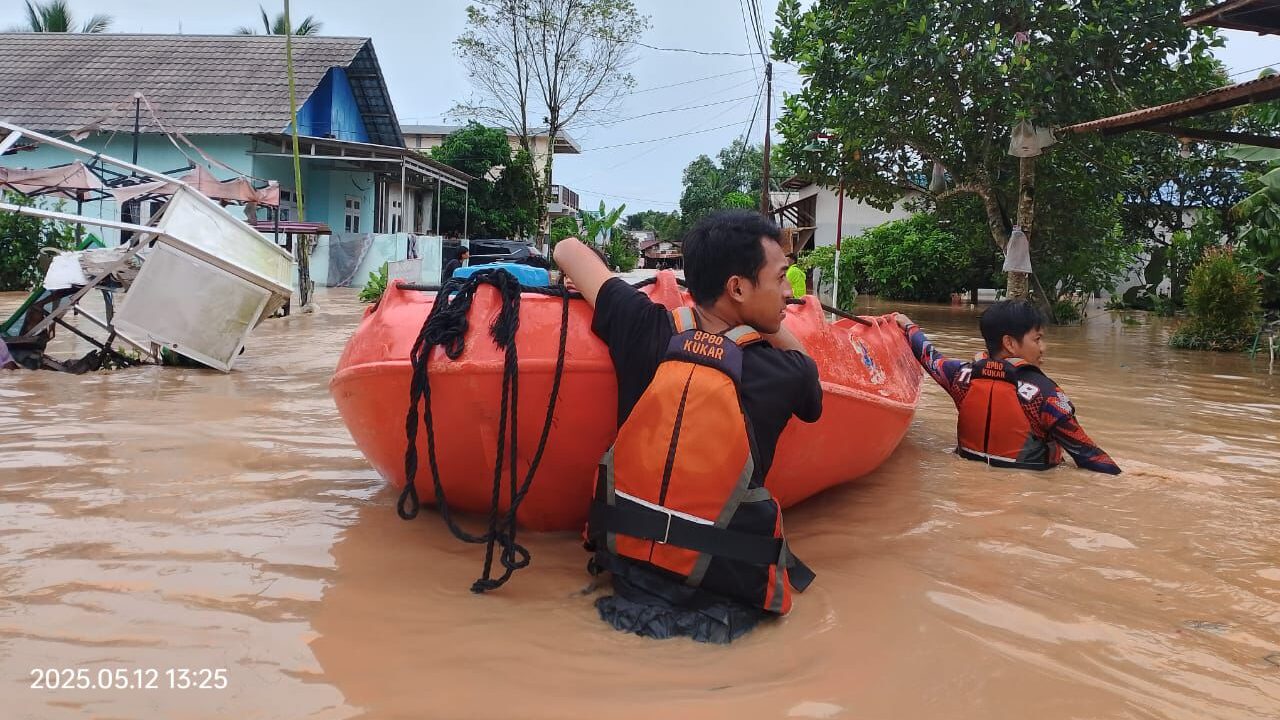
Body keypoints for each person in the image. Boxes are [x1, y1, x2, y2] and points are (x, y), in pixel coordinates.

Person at [553, 210, 823, 643]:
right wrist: (769, 323)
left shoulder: (641, 325)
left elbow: (566, 248)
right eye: (780, 278)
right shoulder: (785, 372)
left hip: (622, 587)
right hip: (725, 613)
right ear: (737, 287)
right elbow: (810, 373)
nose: (789, 294)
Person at [895, 301, 1121, 474]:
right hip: (1029, 493)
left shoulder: (960, 378)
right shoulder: (1047, 397)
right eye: (1038, 339)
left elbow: (928, 355)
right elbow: (1092, 459)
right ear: (1010, 344)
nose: (1044, 347)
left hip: (968, 484)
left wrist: (908, 326)